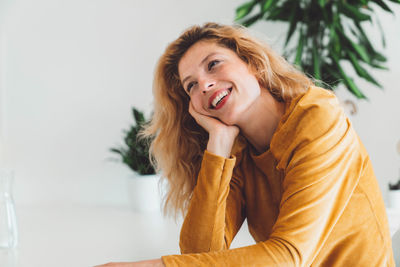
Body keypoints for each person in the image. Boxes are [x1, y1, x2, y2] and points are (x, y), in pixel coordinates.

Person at [96, 22, 394, 266]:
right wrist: (219, 144)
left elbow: (288, 256)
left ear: (252, 62)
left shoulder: (318, 116)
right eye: (191, 86)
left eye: (213, 65)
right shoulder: (238, 152)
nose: (204, 85)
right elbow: (199, 253)